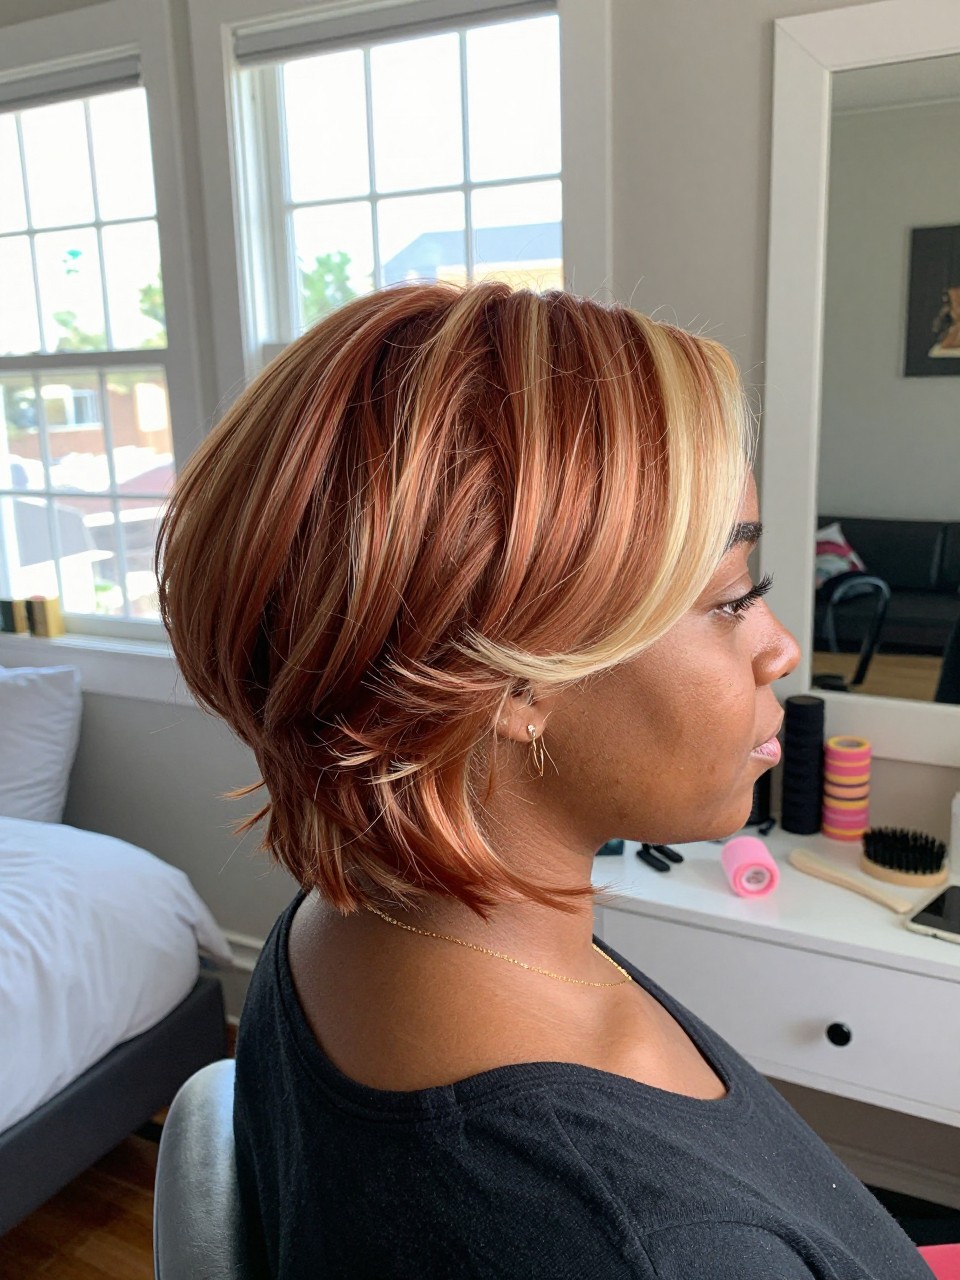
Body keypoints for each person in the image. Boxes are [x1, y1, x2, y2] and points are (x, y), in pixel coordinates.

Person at [156, 282, 934, 1278]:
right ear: (515, 679)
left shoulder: (344, 924)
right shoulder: (642, 1245)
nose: (779, 648)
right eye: (734, 598)